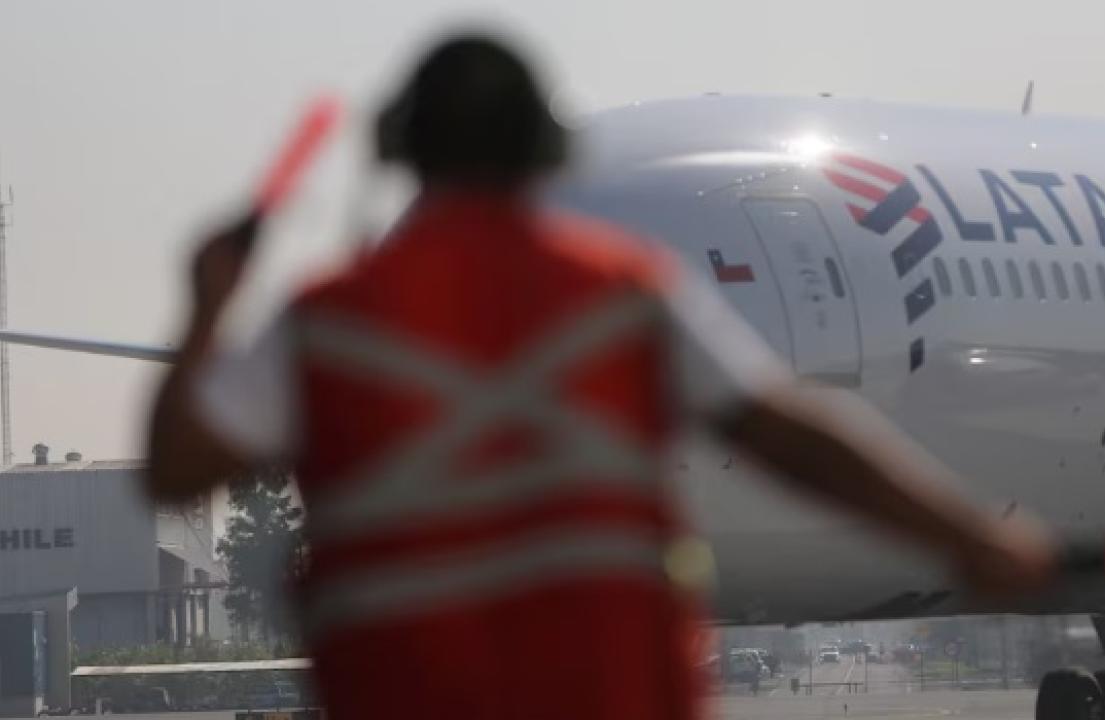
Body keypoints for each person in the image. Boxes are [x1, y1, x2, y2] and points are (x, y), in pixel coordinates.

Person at [146, 34, 1055, 720]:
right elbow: (792, 434)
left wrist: (206, 309)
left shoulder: (334, 312)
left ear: (403, 153)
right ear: (545, 153)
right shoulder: (619, 290)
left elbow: (177, 471)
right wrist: (974, 539)